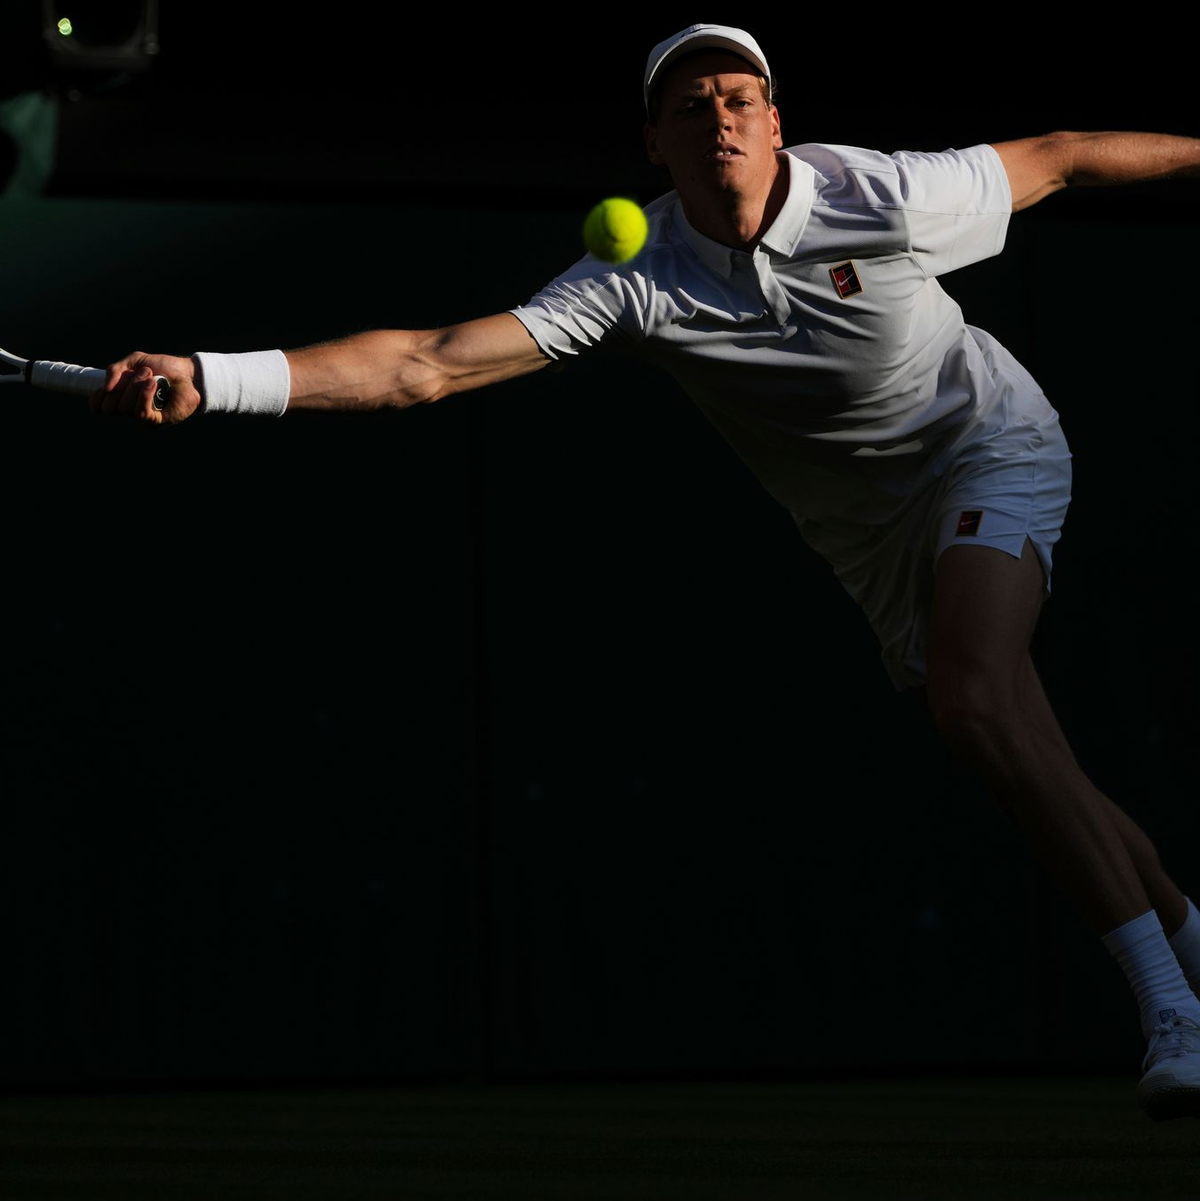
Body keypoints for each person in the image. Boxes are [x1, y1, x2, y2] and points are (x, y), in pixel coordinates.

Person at [95, 24, 1200, 1120]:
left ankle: (1172, 1015)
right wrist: (215, 375)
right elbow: (424, 365)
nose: (717, 115)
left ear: (776, 124)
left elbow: (1058, 153)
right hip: (864, 538)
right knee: (1028, 748)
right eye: (689, 106)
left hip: (986, 447)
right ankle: (1192, 943)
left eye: (737, 97)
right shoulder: (636, 277)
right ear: (654, 147)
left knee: (974, 696)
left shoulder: (891, 195)